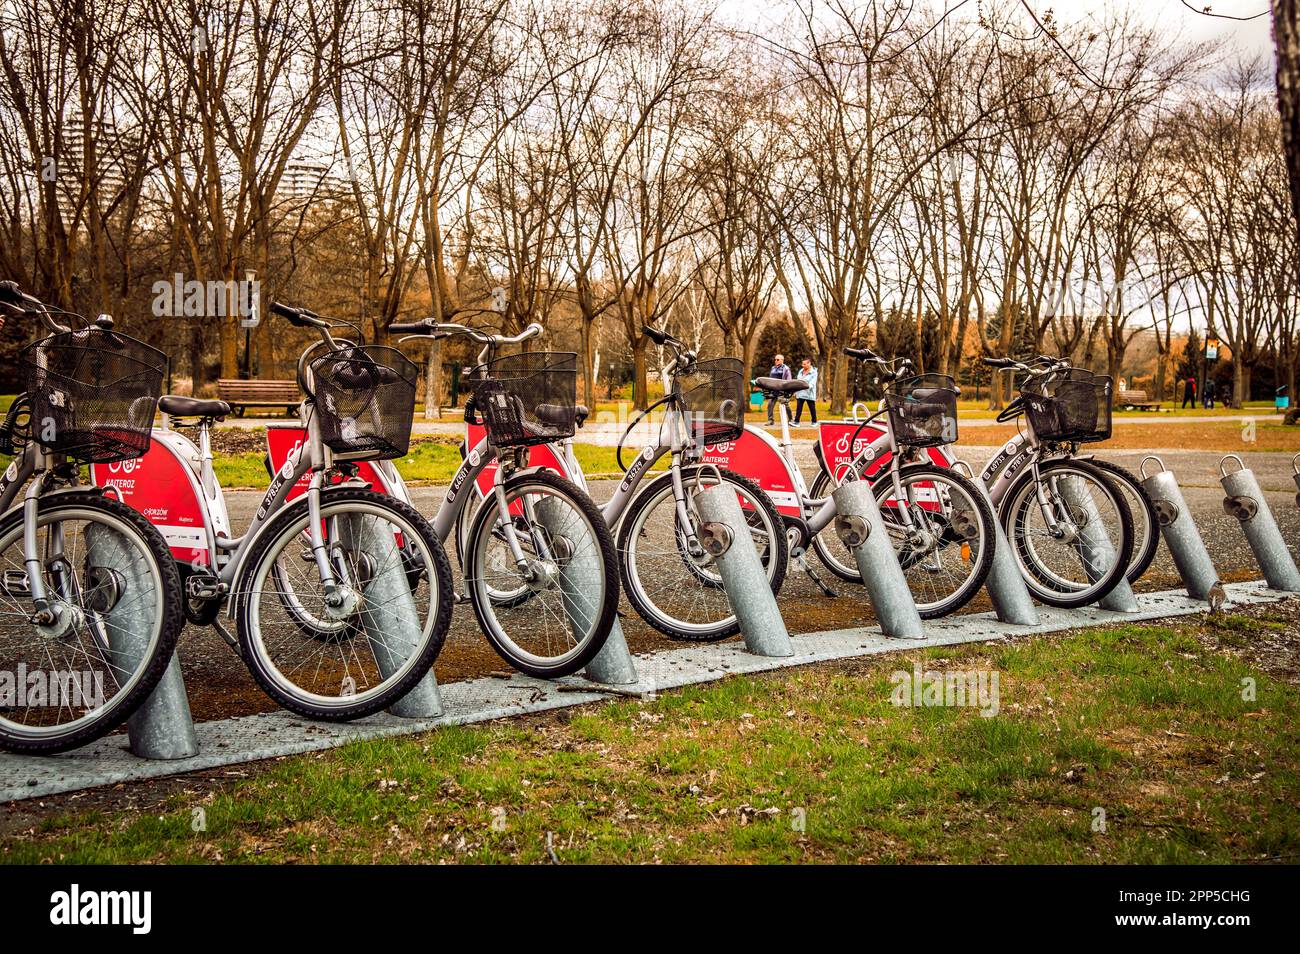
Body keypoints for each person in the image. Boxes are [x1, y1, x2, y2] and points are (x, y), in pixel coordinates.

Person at [766, 353, 791, 425]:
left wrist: (787, 389)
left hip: (781, 390)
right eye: (775, 359)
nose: (776, 361)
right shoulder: (773, 368)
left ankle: (790, 419)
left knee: (786, 405)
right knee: (770, 405)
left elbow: (789, 380)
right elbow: (770, 378)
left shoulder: (786, 368)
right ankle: (770, 420)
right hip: (773, 390)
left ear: (782, 360)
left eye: (777, 359)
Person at [793, 357, 818, 424]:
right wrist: (795, 390)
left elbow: (812, 383)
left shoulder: (814, 372)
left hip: (809, 393)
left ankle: (814, 421)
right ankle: (796, 421)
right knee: (799, 408)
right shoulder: (801, 371)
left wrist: (807, 386)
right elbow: (798, 380)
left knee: (812, 408)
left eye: (804, 364)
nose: (803, 365)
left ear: (809, 363)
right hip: (800, 393)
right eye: (802, 364)